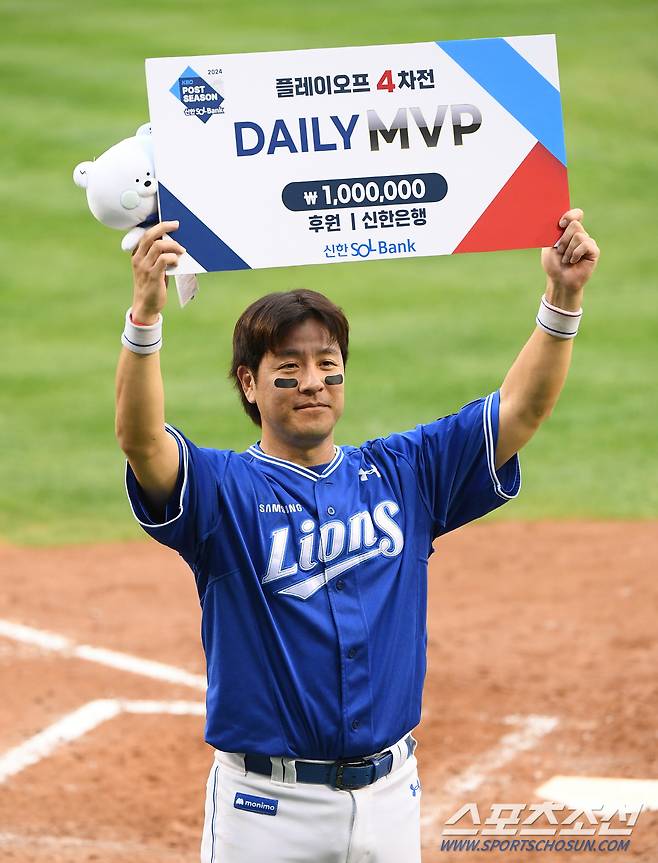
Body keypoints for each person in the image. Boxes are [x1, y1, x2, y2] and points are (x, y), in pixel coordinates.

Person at [115, 209, 599, 863]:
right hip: (265, 812)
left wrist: (563, 298)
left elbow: (521, 409)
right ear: (249, 384)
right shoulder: (222, 491)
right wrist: (145, 316)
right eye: (289, 365)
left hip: (392, 798)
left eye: (327, 362)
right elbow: (142, 440)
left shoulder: (406, 472)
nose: (313, 380)